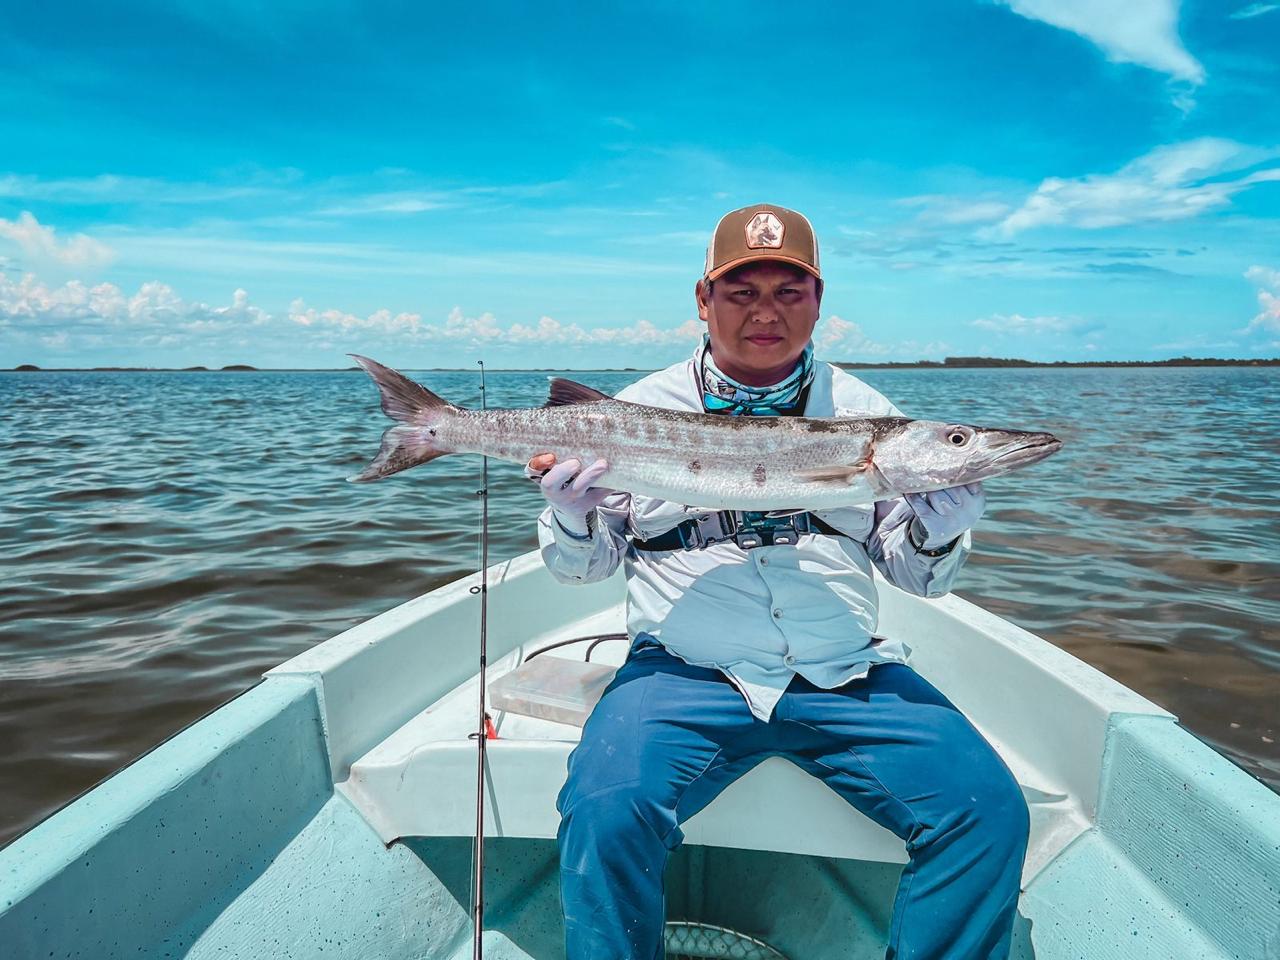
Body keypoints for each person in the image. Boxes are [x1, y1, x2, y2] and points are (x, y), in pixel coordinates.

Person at [527, 203, 1029, 960]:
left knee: (986, 811)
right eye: (743, 291)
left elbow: (913, 576)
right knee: (605, 807)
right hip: (684, 672)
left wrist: (941, 527)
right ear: (704, 300)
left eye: (789, 292)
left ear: (818, 303)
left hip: (845, 671)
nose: (766, 312)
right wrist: (570, 516)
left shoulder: (865, 414)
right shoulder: (635, 410)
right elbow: (581, 570)